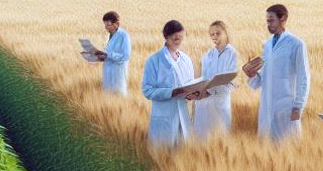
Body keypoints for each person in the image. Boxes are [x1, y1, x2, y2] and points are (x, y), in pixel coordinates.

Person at [243, 4, 310, 141]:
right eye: (267, 21)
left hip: (286, 106)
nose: (268, 24)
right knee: (267, 151)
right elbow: (261, 80)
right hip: (267, 106)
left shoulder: (296, 44)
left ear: (283, 18)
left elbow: (304, 78)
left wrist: (298, 106)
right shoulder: (267, 45)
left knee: (288, 148)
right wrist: (251, 75)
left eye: (271, 20)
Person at [142, 20, 198, 148]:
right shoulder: (154, 61)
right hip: (164, 117)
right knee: (163, 154)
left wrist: (193, 93)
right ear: (166, 37)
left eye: (181, 37)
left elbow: (191, 84)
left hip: (183, 115)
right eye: (175, 38)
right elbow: (147, 90)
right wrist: (171, 92)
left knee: (182, 155)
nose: (178, 40)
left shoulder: (186, 60)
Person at [194, 21, 237, 138]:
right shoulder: (208, 54)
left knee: (219, 136)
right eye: (211, 34)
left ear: (226, 33)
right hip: (203, 104)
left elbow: (231, 81)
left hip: (220, 104)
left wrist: (209, 91)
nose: (214, 37)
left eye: (217, 33)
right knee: (201, 140)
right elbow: (202, 77)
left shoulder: (232, 53)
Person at [97, 11, 131, 95]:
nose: (106, 27)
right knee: (107, 95)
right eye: (105, 25)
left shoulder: (124, 36)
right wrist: (102, 57)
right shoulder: (110, 35)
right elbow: (110, 52)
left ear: (116, 24)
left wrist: (108, 55)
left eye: (108, 25)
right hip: (108, 71)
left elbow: (126, 56)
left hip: (118, 72)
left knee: (118, 96)